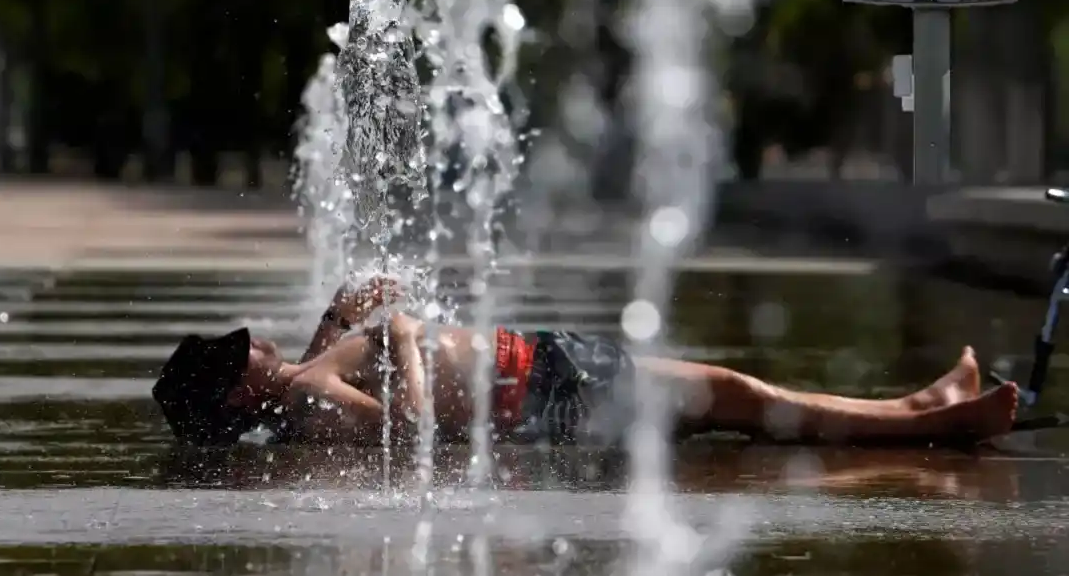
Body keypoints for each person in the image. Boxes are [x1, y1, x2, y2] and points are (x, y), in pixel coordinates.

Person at [152, 277, 1019, 448]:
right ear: (237, 383)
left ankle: (917, 407)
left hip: (539, 366)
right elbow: (407, 432)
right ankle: (924, 418)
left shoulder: (299, 389)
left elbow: (324, 371)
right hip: (544, 387)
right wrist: (407, 336)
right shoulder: (310, 399)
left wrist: (341, 313)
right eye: (243, 351)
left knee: (731, 397)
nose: (257, 344)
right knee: (734, 396)